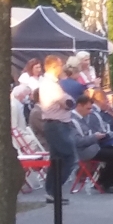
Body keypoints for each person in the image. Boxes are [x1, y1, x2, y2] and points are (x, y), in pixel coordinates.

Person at [72, 95, 113, 192]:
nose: (90, 111)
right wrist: (95, 136)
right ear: (79, 106)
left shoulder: (84, 117)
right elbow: (77, 142)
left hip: (94, 146)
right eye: (88, 108)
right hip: (85, 150)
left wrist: (102, 135)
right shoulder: (72, 120)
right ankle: (106, 182)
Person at [36, 55, 78, 203]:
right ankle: (55, 190)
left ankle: (51, 192)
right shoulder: (50, 85)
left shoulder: (52, 83)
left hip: (56, 125)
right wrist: (71, 101)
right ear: (54, 67)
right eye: (60, 65)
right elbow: (67, 103)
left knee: (56, 160)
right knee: (69, 157)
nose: (62, 68)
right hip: (57, 125)